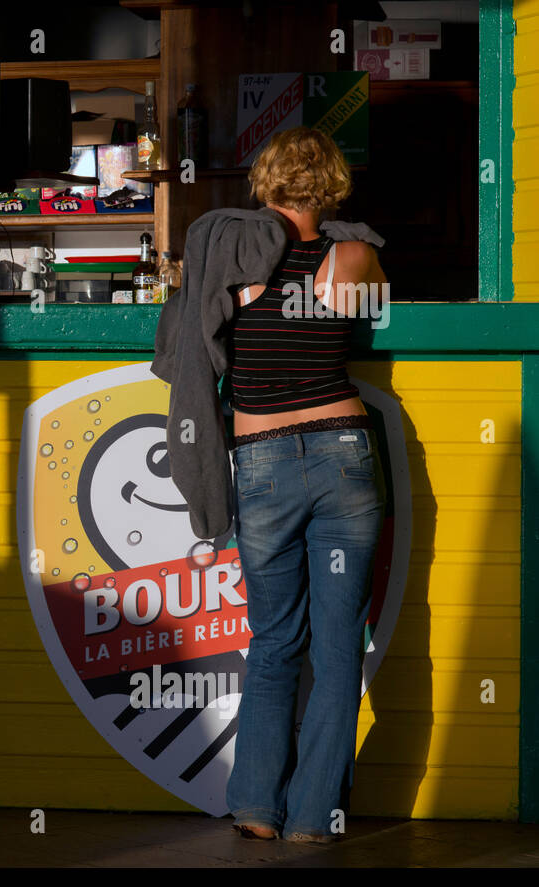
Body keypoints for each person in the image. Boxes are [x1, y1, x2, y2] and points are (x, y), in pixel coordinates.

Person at [219, 128, 389, 843]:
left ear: (265, 184)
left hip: (261, 456)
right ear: (333, 188)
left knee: (273, 638)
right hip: (342, 452)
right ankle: (316, 816)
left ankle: (257, 804)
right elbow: (379, 304)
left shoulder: (230, 259)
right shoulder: (352, 255)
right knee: (337, 643)